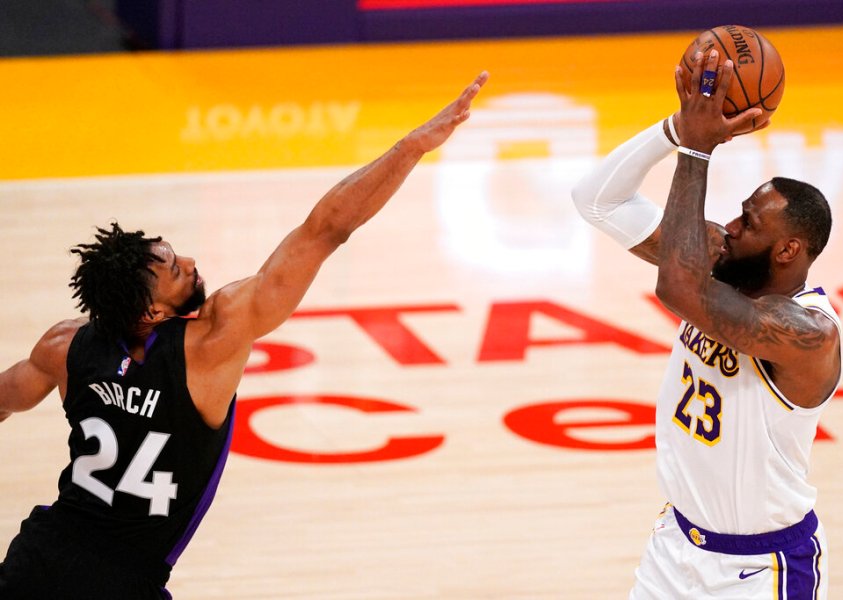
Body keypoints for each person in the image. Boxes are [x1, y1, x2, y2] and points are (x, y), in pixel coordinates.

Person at [0, 71, 488, 599]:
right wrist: (410, 148)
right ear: (152, 312)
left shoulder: (64, 346)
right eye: (174, 269)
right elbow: (325, 230)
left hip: (39, 558)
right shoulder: (212, 341)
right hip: (122, 582)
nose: (190, 261)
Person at [572, 50, 840, 599]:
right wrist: (676, 129)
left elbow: (678, 290)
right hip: (674, 547)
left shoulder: (808, 333)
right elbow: (596, 200)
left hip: (761, 569)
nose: (734, 225)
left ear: (789, 250)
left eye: (751, 221)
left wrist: (698, 148)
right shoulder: (714, 260)